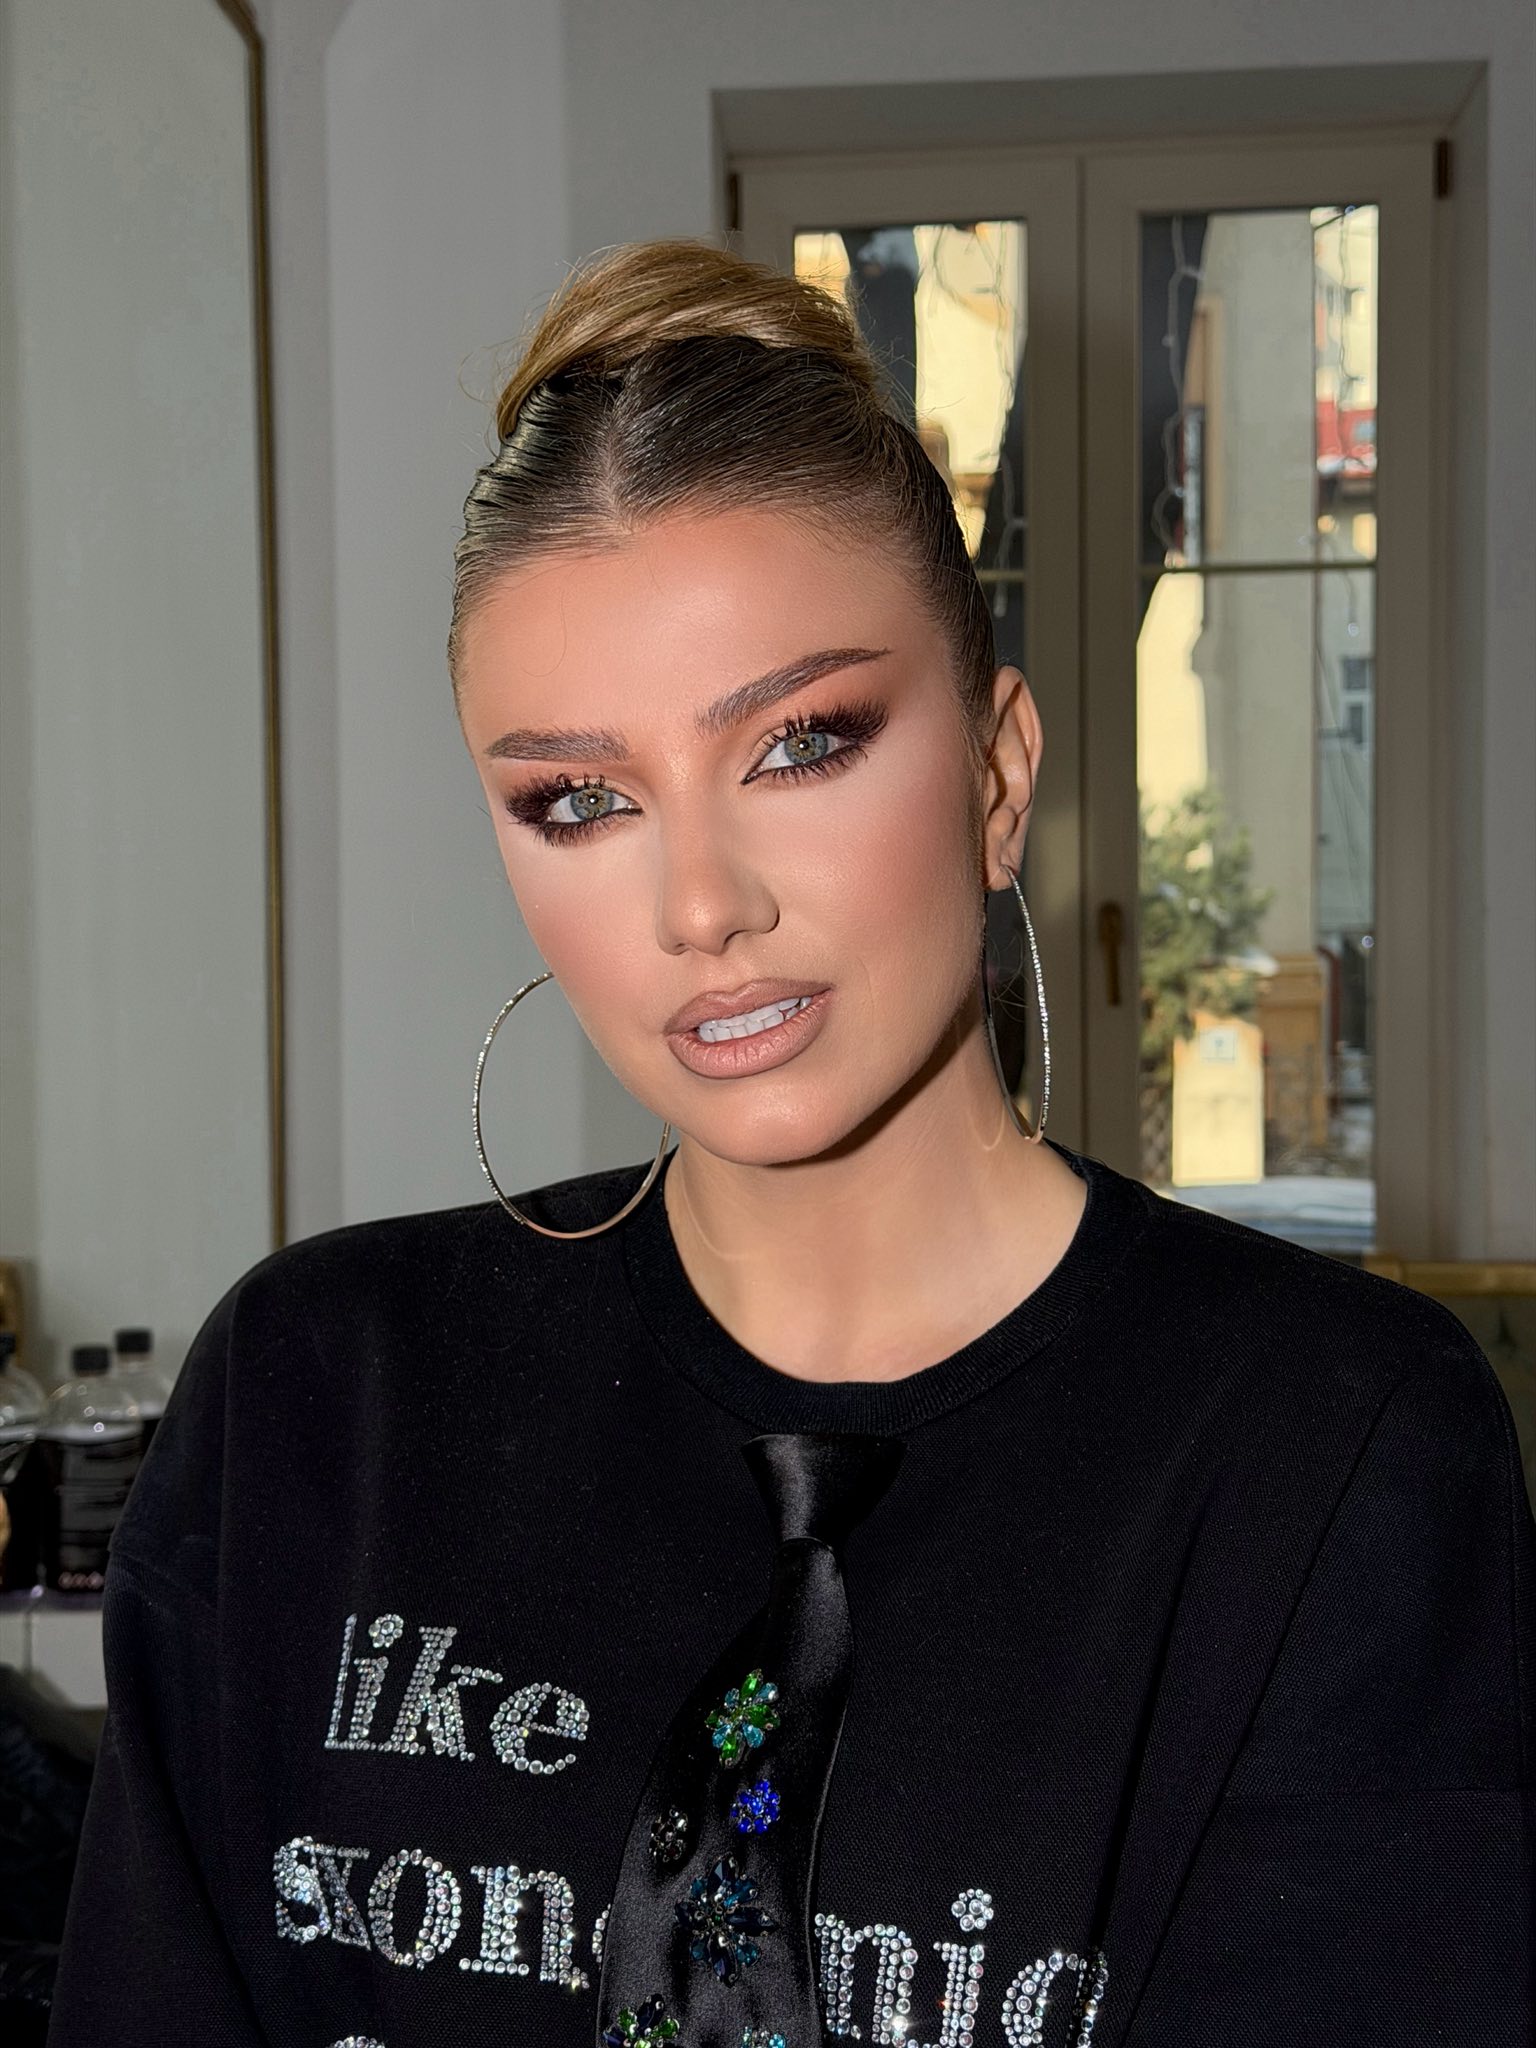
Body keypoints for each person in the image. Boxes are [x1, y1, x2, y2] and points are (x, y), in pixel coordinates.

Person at [48, 238, 1533, 2048]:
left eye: (800, 744)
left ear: (997, 776)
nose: (700, 905)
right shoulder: (310, 1402)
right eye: (578, 798)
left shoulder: (1337, 1444)